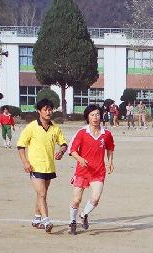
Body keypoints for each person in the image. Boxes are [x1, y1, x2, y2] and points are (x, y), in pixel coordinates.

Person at [16, 98, 68, 233]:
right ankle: (46, 221)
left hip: (49, 166)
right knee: (42, 193)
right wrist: (25, 162)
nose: (48, 112)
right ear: (39, 111)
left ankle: (36, 218)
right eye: (45, 109)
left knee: (41, 195)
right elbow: (21, 146)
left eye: (50, 109)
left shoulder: (55, 128)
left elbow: (63, 144)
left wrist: (61, 152)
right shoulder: (31, 127)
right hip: (35, 166)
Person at [67, 104, 115, 235]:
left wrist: (110, 161)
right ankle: (72, 221)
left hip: (98, 171)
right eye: (92, 115)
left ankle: (84, 214)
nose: (95, 117)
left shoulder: (106, 134)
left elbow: (110, 148)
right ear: (87, 117)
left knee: (95, 199)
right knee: (76, 200)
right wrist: (80, 159)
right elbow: (72, 150)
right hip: (82, 172)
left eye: (98, 114)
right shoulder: (82, 132)